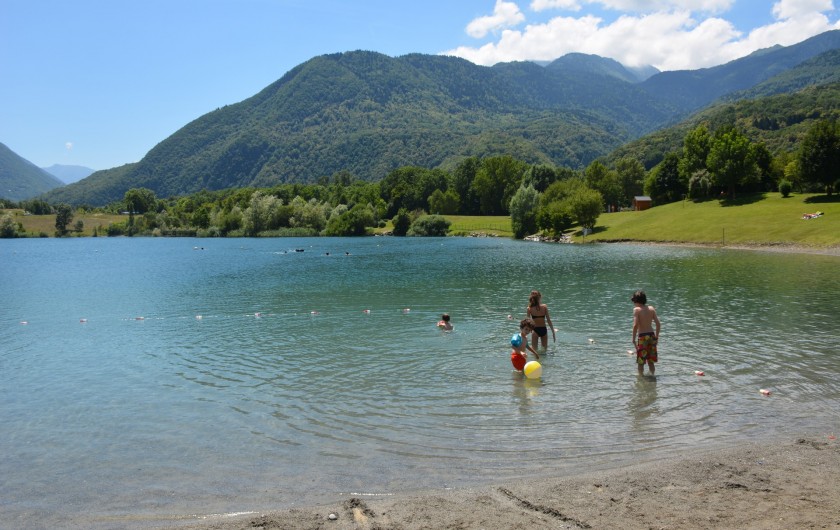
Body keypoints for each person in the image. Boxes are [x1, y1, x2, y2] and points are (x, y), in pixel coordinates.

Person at [632, 290, 661, 376]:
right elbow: (658, 324)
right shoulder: (651, 309)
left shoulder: (636, 310)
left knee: (641, 362)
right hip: (651, 336)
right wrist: (656, 337)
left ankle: (640, 379)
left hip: (642, 337)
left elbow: (635, 325)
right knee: (651, 361)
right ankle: (652, 376)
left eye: (634, 301)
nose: (634, 303)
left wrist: (633, 339)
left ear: (636, 301)